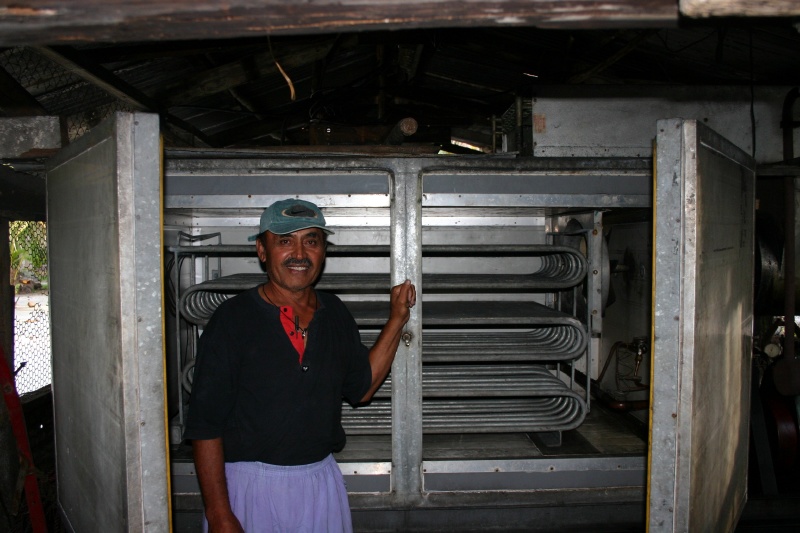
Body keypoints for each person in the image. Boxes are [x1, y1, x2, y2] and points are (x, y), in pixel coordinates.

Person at [184, 198, 416, 533]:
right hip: (248, 487)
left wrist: (396, 319)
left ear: (323, 251)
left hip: (319, 482)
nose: (299, 253)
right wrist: (220, 514)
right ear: (262, 251)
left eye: (311, 241)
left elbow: (361, 389)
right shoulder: (233, 320)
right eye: (284, 241)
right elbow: (205, 425)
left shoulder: (334, 313)